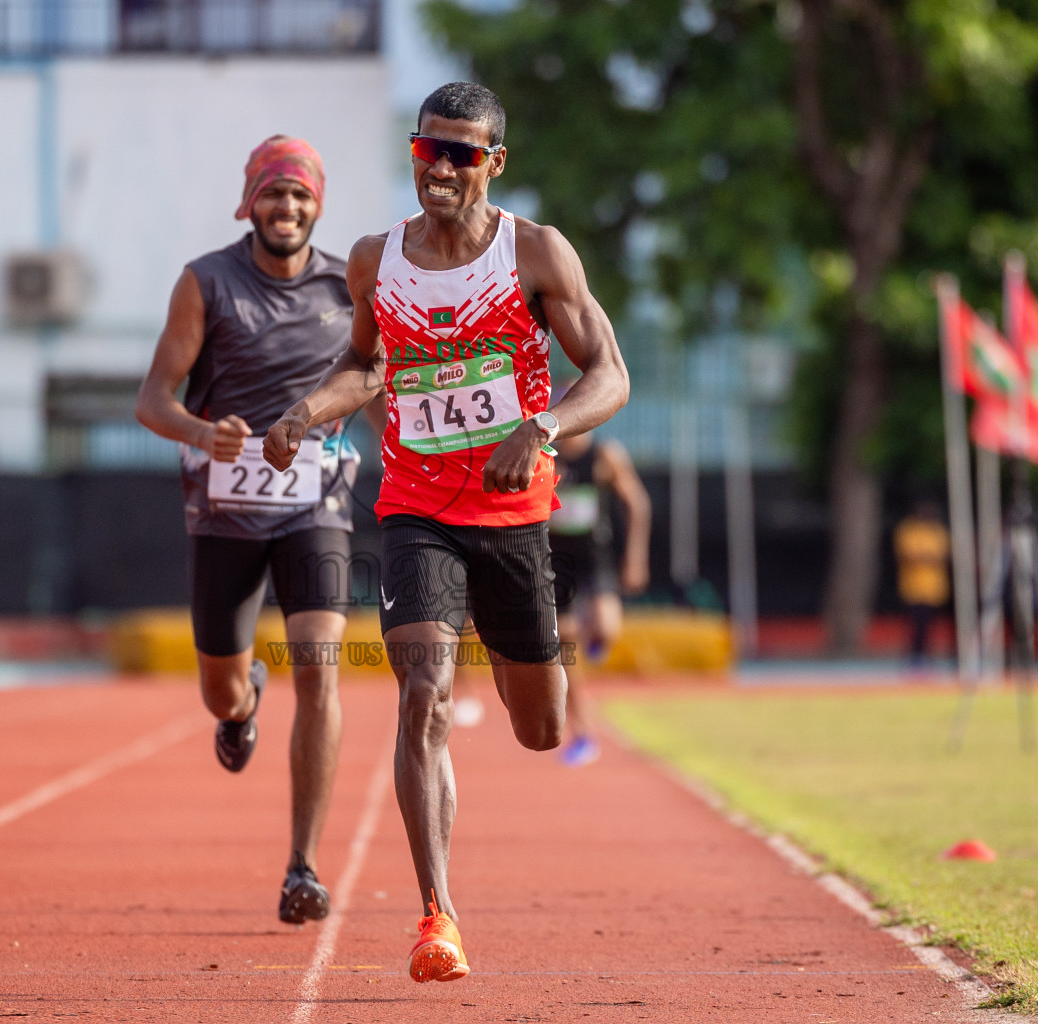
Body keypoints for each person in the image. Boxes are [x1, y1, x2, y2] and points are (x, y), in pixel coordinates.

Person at [265, 82, 630, 982]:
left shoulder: (536, 253)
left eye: (464, 153)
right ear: (415, 153)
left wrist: (538, 427)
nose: (443, 167)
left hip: (513, 517)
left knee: (538, 727)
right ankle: (438, 915)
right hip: (417, 509)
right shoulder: (372, 260)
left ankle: (520, 674)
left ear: (494, 163)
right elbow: (366, 366)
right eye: (431, 149)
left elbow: (610, 376)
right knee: (423, 691)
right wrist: (307, 409)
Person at [135, 135, 357, 924]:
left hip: (316, 503)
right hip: (225, 509)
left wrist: (324, 414)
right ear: (250, 202)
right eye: (274, 194)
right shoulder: (205, 283)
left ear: (316, 205)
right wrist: (202, 434)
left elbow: (370, 372)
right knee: (220, 687)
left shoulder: (347, 284)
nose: (286, 208)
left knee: (321, 668)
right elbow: (152, 400)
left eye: (299, 196)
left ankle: (303, 865)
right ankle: (241, 706)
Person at [548, 425, 651, 766]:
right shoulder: (544, 453)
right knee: (566, 645)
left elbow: (637, 503)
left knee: (606, 627)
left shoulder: (605, 455)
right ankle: (583, 731)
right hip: (555, 560)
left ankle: (595, 640)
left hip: (595, 559)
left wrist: (635, 557)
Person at [893, 501, 950, 670]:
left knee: (929, 625)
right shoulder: (908, 529)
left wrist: (924, 557)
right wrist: (927, 557)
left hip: (933, 588)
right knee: (914, 624)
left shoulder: (938, 531)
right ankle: (913, 656)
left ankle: (925, 656)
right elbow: (909, 555)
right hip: (913, 587)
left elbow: (942, 555)